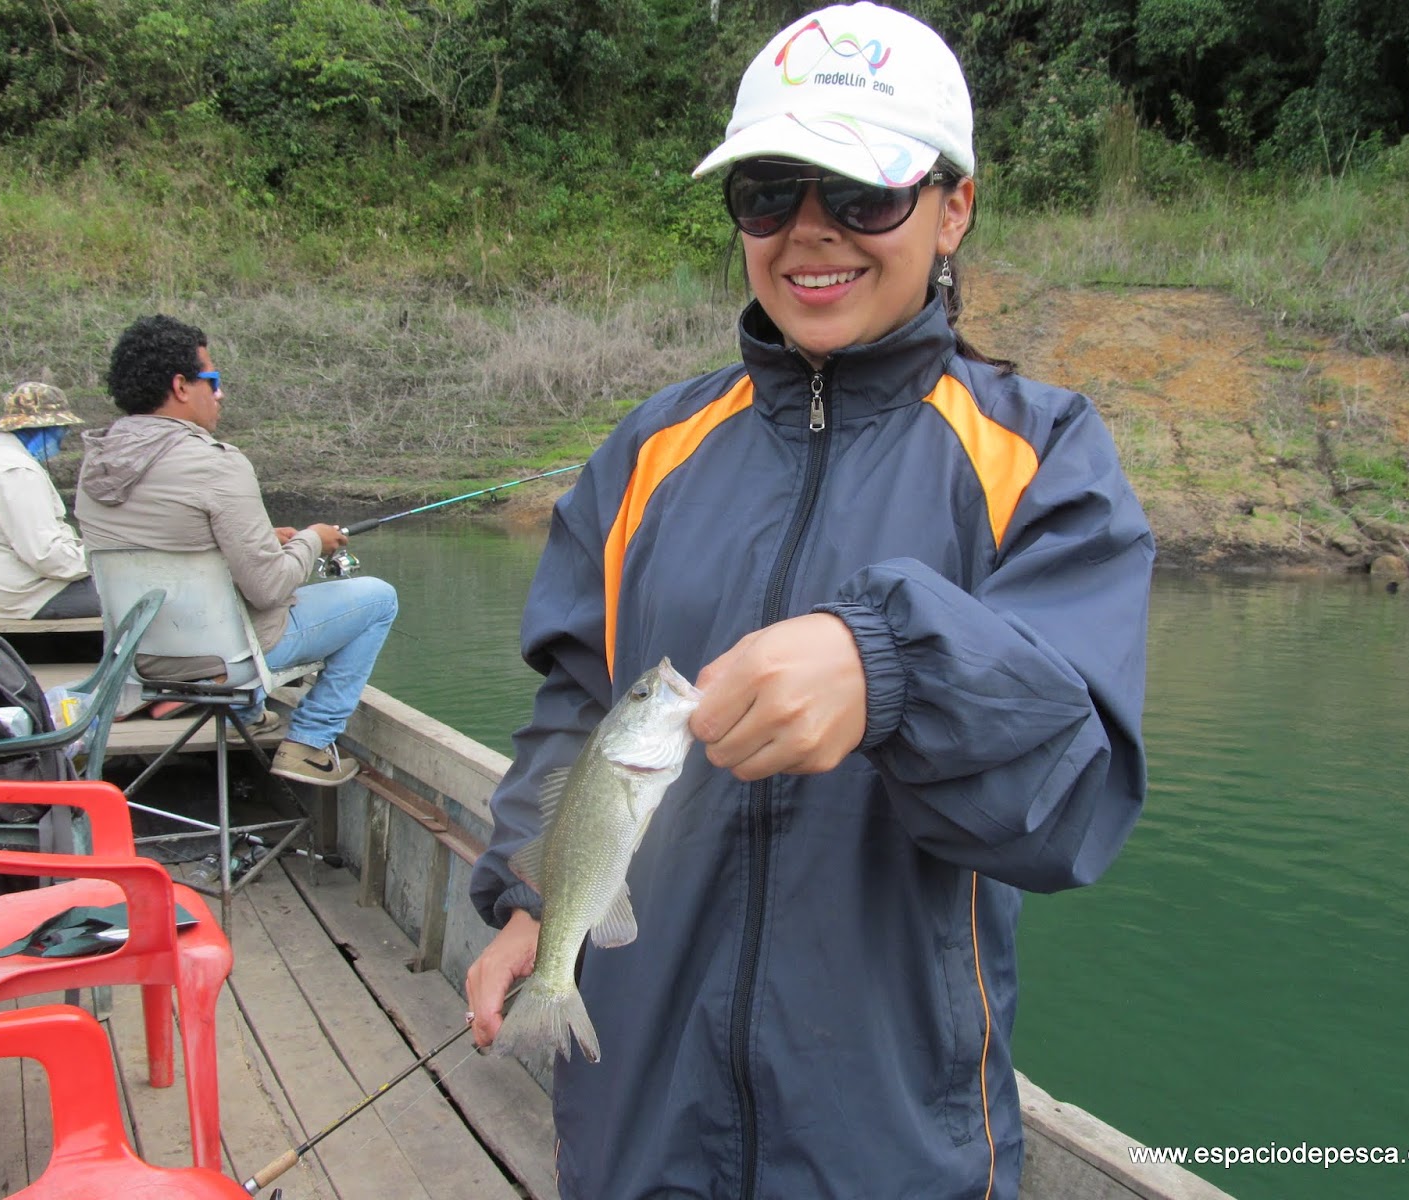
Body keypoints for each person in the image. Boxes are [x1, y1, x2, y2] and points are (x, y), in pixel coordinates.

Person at [465, 4, 1155, 1198]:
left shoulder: (1041, 455)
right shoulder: (649, 450)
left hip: (882, 1133)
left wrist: (890, 668)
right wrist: (535, 900)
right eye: (769, 192)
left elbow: (1069, 793)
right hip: (635, 1114)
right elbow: (577, 704)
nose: (808, 233)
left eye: (863, 194)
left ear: (953, 208)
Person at [74, 314, 397, 787]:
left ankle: (249, 711)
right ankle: (309, 742)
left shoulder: (93, 467)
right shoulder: (216, 464)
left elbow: (175, 546)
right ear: (181, 386)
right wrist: (313, 539)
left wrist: (266, 540)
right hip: (225, 658)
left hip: (142, 659)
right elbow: (267, 589)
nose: (220, 393)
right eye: (213, 380)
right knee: (378, 598)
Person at [0, 382, 102, 619]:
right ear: (44, 427)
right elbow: (47, 557)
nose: (64, 437)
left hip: (4, 592)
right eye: (61, 428)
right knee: (140, 593)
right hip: (28, 595)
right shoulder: (16, 472)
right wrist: (103, 558)